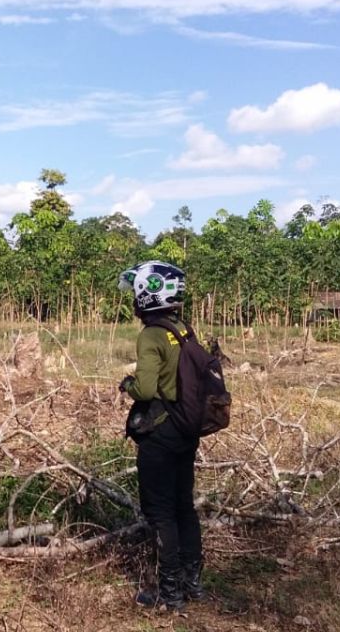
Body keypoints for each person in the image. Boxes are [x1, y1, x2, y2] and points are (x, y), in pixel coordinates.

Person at [117, 260, 207, 611]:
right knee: (185, 507)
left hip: (161, 434)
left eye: (136, 294)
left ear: (147, 294)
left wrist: (128, 384)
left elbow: (146, 387)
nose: (133, 302)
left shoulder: (152, 334)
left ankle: (169, 594)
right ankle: (192, 584)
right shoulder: (183, 329)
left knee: (161, 512)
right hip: (187, 429)